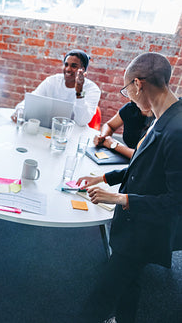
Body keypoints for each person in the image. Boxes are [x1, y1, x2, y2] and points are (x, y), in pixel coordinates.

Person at [77, 52, 182, 322]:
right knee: (130, 283)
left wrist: (119, 198)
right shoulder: (163, 116)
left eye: (127, 90)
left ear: (138, 84)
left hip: (145, 229)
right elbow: (143, 167)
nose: (130, 97)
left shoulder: (177, 131)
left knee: (101, 296)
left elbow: (176, 201)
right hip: (136, 222)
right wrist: (103, 178)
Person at [11, 49, 101, 126]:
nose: (68, 69)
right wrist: (20, 111)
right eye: (66, 64)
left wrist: (79, 92)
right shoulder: (52, 81)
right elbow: (32, 100)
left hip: (73, 132)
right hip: (48, 128)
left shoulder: (92, 89)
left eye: (74, 66)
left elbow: (82, 122)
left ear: (83, 69)